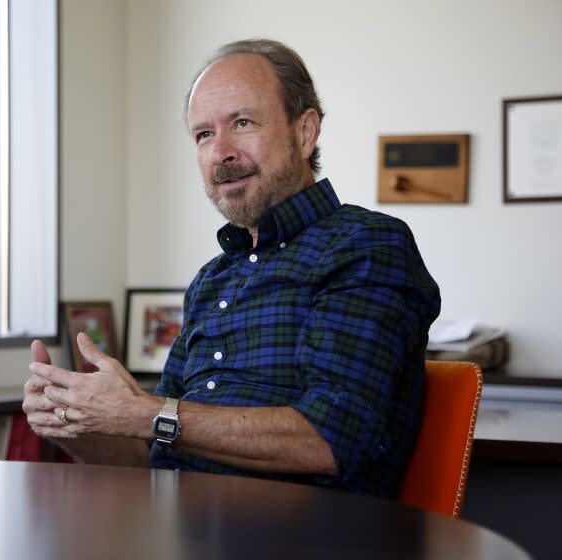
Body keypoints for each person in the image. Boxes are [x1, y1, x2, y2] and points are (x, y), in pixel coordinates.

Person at [23, 39, 440, 498]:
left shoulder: (366, 244)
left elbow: (334, 436)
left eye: (242, 123)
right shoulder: (210, 281)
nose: (220, 152)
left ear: (304, 133)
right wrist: (74, 420)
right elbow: (152, 456)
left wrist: (146, 412)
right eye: (203, 134)